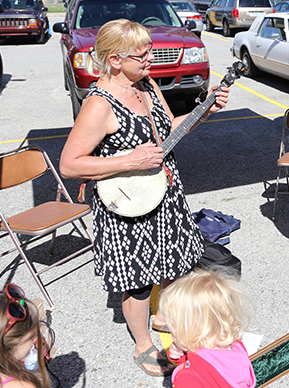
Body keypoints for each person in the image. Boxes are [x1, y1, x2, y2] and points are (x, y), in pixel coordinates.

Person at [59, 19, 229, 377]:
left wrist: (206, 110)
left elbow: (173, 128)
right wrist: (128, 160)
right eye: (143, 53)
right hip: (129, 206)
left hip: (165, 194)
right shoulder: (99, 103)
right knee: (137, 283)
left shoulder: (147, 86)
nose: (152, 58)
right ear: (116, 60)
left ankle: (167, 318)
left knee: (175, 267)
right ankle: (142, 343)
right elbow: (70, 165)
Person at [160, 269, 255, 388]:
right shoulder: (235, 346)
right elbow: (207, 370)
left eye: (174, 326)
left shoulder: (188, 379)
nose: (171, 330)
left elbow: (197, 372)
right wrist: (182, 357)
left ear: (193, 328)